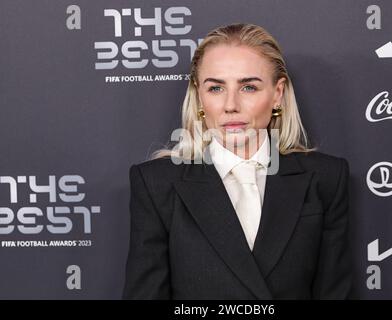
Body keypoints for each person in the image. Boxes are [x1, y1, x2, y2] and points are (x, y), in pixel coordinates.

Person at [122, 23, 352, 299]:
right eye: (216, 88)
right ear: (199, 96)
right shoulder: (157, 184)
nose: (230, 105)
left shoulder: (326, 178)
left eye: (248, 87)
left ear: (277, 93)